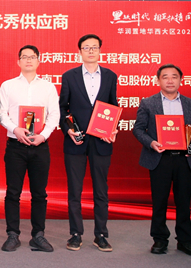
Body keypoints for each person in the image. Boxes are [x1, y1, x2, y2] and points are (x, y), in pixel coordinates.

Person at [132, 64, 191, 256]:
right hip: (160, 158)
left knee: (184, 202)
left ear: (181, 80)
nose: (170, 80)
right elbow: (138, 129)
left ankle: (185, 241)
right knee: (159, 201)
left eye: (174, 76)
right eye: (165, 77)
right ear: (158, 80)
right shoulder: (148, 103)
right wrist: (151, 143)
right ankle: (159, 239)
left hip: (185, 159)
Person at [59, 33, 119, 252]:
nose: (91, 51)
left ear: (100, 50)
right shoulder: (69, 76)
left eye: (94, 47)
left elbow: (113, 106)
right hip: (76, 140)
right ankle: (75, 234)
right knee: (74, 191)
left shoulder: (110, 76)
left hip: (101, 141)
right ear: (80, 51)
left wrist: (112, 129)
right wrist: (67, 130)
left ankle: (101, 235)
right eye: (86, 47)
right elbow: (62, 107)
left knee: (101, 191)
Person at [0, 45, 60, 252]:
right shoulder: (8, 86)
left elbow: (54, 115)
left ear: (38, 60)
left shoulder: (48, 87)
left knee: (39, 193)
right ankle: (12, 235)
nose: (28, 60)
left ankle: (38, 235)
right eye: (24, 57)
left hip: (40, 146)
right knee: (13, 192)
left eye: (32, 57)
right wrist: (15, 129)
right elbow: (1, 113)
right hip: (15, 146)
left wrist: (44, 135)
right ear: (18, 61)